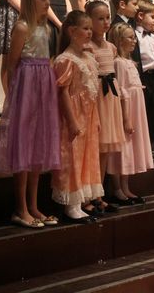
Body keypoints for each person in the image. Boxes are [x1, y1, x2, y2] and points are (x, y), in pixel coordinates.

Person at [0, 0, 61, 228]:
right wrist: (13, 97)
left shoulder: (47, 29)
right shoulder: (21, 27)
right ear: (30, 0)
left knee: (37, 150)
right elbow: (11, 65)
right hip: (26, 91)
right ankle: (20, 208)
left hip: (43, 90)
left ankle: (33, 205)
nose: (47, 3)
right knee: (24, 149)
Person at [51, 11, 103, 223]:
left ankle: (81, 201)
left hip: (88, 115)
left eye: (90, 28)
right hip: (73, 115)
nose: (89, 32)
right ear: (72, 31)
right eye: (85, 28)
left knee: (86, 157)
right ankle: (71, 204)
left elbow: (92, 92)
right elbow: (63, 93)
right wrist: (72, 121)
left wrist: (96, 119)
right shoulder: (66, 59)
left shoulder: (88, 57)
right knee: (72, 157)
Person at [106, 22, 154, 204]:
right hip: (125, 110)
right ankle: (117, 188)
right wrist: (125, 118)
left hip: (135, 107)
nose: (134, 41)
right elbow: (121, 92)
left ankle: (125, 187)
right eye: (130, 38)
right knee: (122, 148)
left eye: (134, 37)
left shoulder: (129, 62)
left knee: (130, 148)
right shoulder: (118, 62)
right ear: (119, 40)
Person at [85, 1, 124, 215]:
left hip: (111, 98)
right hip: (97, 97)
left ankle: (99, 195)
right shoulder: (87, 46)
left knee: (105, 150)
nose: (106, 22)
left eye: (107, 17)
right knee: (94, 149)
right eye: (100, 18)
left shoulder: (111, 47)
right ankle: (88, 195)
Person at [135, 0, 154, 158]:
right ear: (140, 16)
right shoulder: (136, 35)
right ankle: (143, 148)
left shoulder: (153, 37)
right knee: (143, 111)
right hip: (143, 77)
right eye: (152, 17)